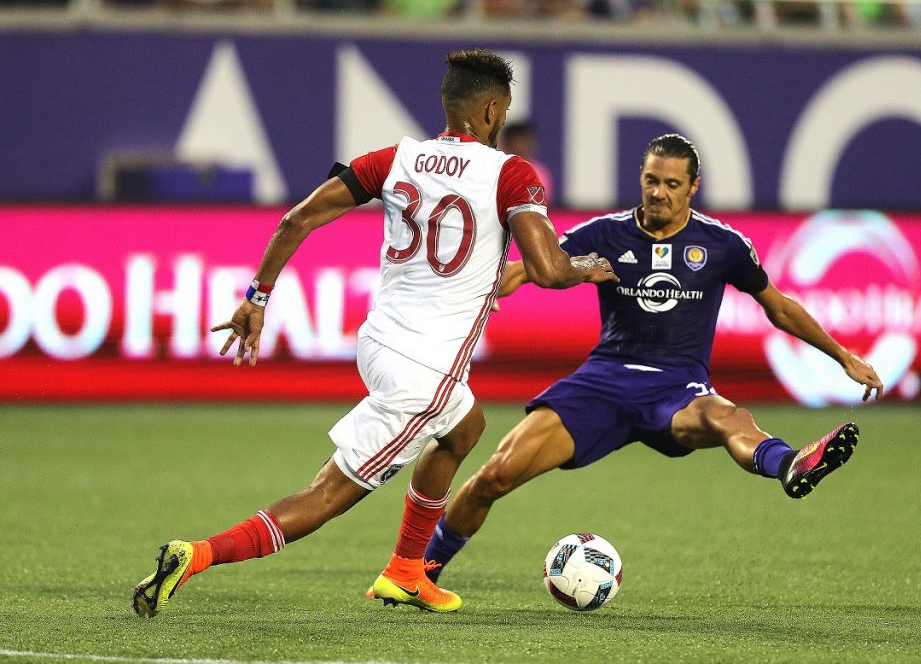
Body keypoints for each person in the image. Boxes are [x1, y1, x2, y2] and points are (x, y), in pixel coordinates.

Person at [131, 49, 618, 617]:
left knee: (465, 427)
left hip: (380, 342)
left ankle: (406, 572)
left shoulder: (397, 159)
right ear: (491, 110)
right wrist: (589, 267)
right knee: (328, 495)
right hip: (424, 372)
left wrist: (256, 296)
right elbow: (548, 270)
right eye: (503, 112)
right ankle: (196, 555)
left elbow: (298, 219)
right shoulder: (509, 173)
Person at [423, 133, 884, 583]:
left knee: (730, 418)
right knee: (494, 477)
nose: (659, 193)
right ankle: (420, 569)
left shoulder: (723, 244)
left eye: (672, 184)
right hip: (603, 382)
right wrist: (477, 295)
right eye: (651, 180)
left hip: (677, 388)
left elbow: (779, 307)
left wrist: (842, 356)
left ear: (693, 187)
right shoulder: (605, 233)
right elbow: (526, 269)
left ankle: (789, 465)